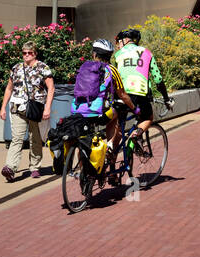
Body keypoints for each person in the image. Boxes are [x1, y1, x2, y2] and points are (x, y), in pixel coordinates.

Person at [72, 39, 136, 181]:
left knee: (83, 141)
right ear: (110, 55)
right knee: (117, 112)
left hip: (79, 111)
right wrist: (134, 108)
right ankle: (109, 145)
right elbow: (123, 94)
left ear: (94, 54)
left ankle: (83, 173)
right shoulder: (112, 70)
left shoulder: (84, 67)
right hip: (99, 113)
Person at [0, 42, 54, 182]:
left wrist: (47, 107)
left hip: (36, 108)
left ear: (35, 53)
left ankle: (35, 167)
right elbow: (9, 89)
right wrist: (3, 107)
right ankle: (10, 168)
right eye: (24, 53)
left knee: (35, 138)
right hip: (18, 108)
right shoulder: (16, 68)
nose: (26, 55)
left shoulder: (43, 68)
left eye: (29, 53)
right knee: (16, 138)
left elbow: (51, 88)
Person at [113, 28, 173, 138]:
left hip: (121, 95)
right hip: (140, 95)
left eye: (119, 42)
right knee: (148, 118)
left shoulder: (118, 55)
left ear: (125, 40)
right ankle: (137, 134)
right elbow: (158, 80)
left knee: (119, 127)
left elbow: (114, 76)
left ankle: (112, 151)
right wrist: (166, 99)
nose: (117, 45)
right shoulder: (146, 53)